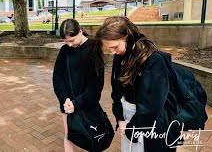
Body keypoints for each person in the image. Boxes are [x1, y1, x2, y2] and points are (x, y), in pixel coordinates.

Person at [95, 16, 180, 152]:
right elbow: (116, 91)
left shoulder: (154, 60)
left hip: (150, 124)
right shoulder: (121, 55)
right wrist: (120, 118)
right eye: (108, 48)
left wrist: (131, 130)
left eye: (115, 47)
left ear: (127, 37)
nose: (112, 52)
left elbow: (151, 107)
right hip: (128, 119)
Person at [53, 19, 105, 151]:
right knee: (69, 135)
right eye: (66, 41)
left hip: (87, 103)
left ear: (80, 31)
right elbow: (57, 77)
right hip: (67, 103)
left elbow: (96, 84)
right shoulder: (65, 50)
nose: (69, 45)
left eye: (72, 40)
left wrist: (78, 103)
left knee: (93, 136)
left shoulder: (94, 47)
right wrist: (64, 98)